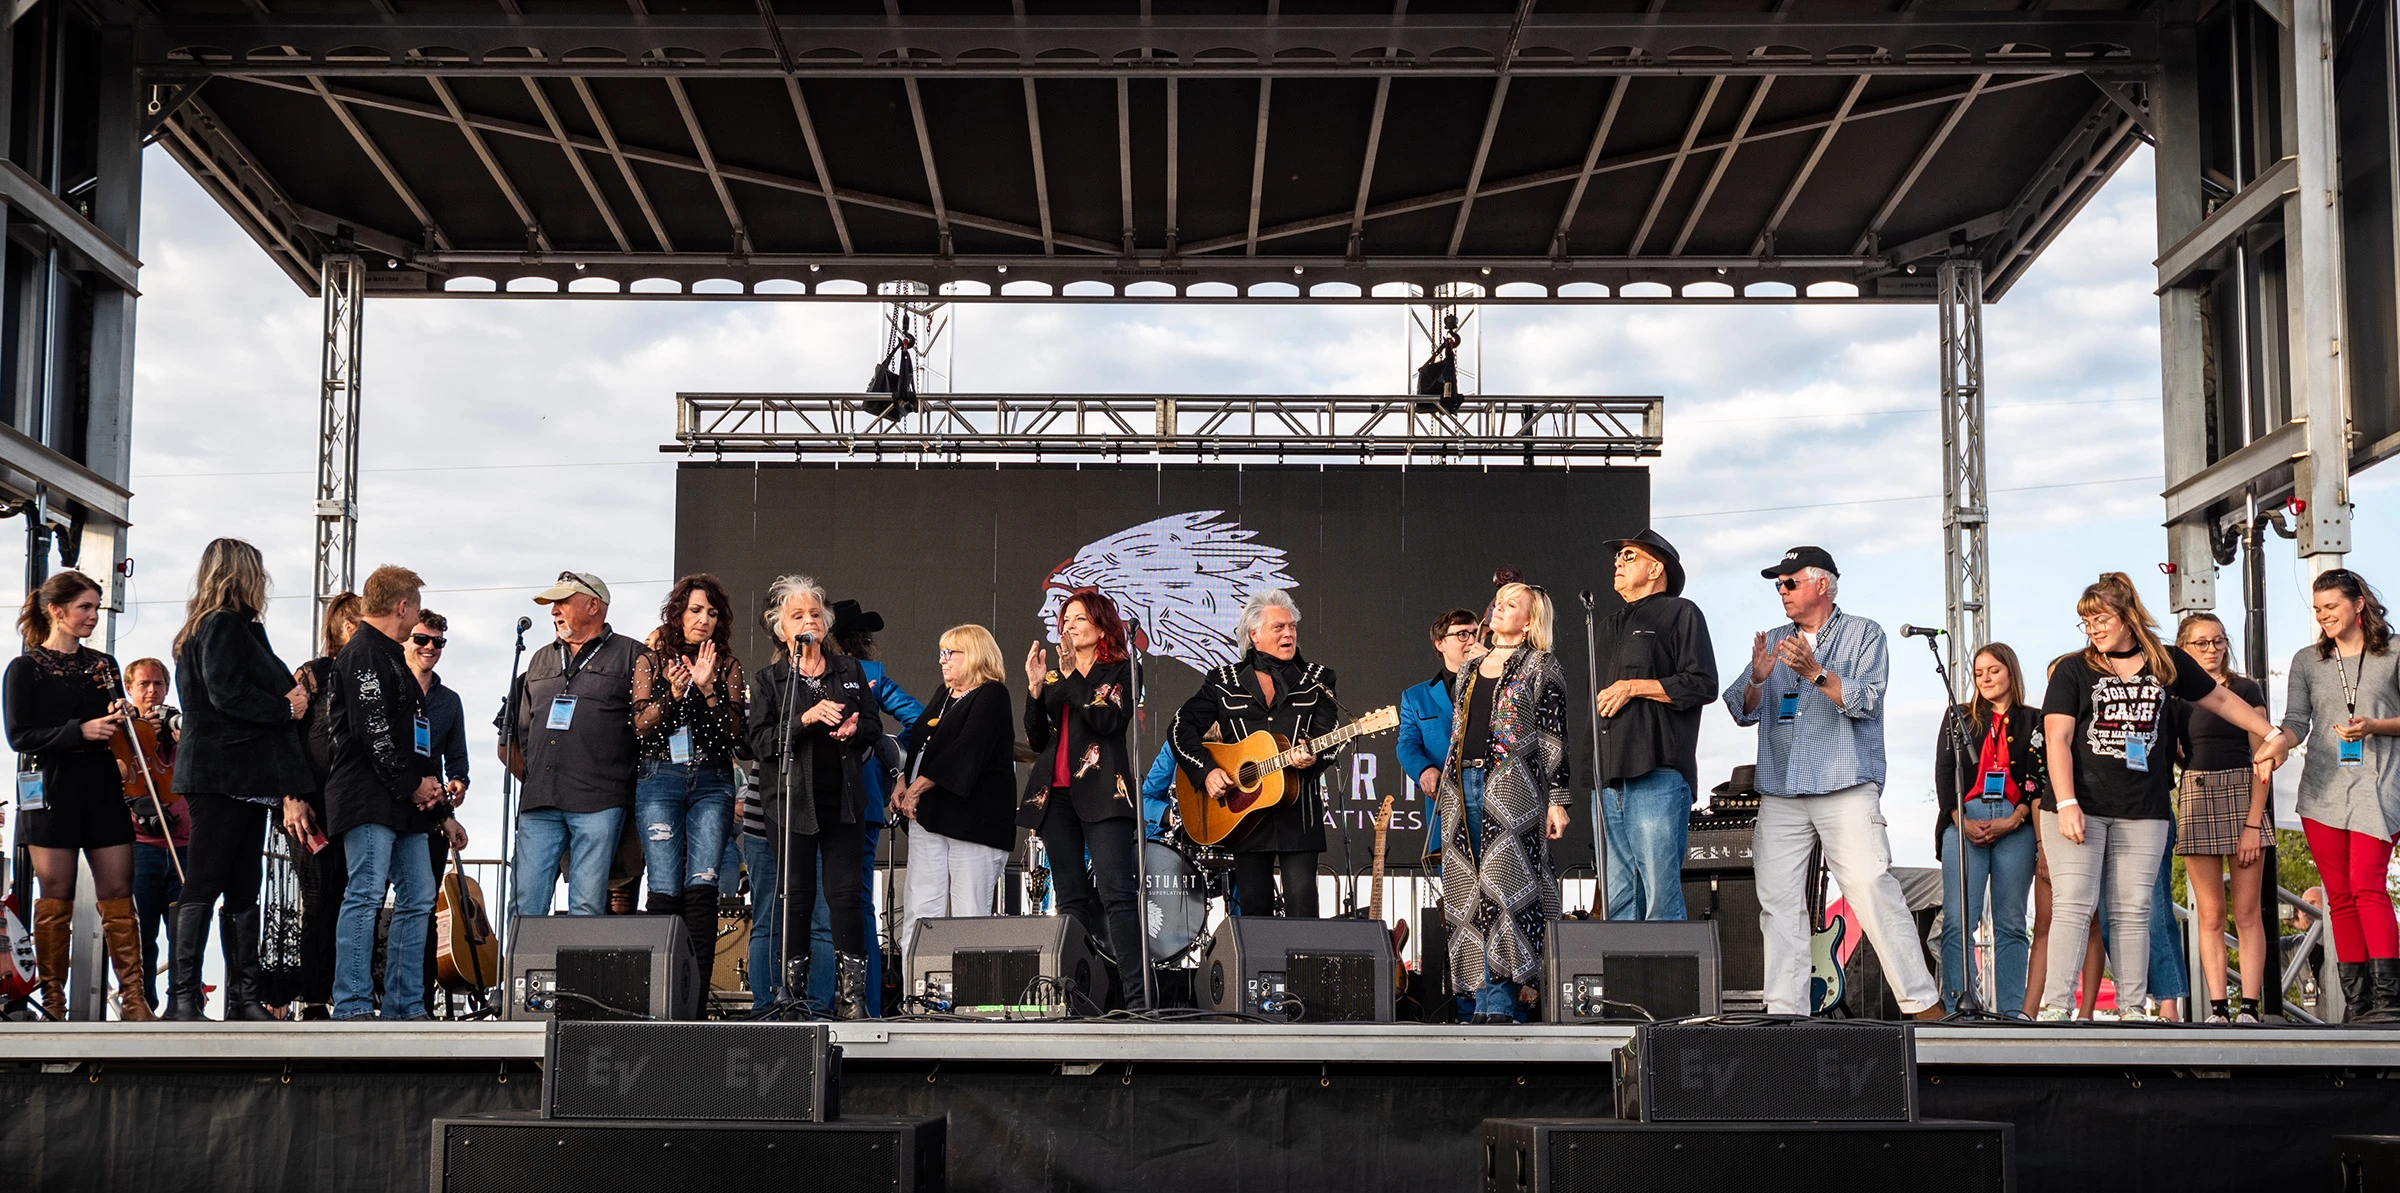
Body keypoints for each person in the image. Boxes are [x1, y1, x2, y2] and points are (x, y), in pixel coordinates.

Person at [2036, 572, 2282, 1021]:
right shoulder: (2074, 669)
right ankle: (2056, 1007)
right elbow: (2057, 738)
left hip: (2144, 810)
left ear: (2128, 617)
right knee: (2074, 902)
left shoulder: (2166, 663)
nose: (2092, 628)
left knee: (2132, 909)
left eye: (2100, 619)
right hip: (2078, 807)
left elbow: (2224, 702)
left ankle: (2133, 1006)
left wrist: (2272, 734)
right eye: (2085, 622)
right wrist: (2068, 801)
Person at [1723, 546, 1942, 1020]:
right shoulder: (1775, 639)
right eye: (1777, 584)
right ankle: (1786, 1011)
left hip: (1844, 786)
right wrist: (1759, 680)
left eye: (1789, 582)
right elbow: (1741, 709)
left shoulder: (1865, 633)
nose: (1781, 591)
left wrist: (1815, 672)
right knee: (1778, 904)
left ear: (1821, 584)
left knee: (1870, 887)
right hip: (1782, 791)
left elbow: (1866, 701)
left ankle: (1922, 1004)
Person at [167, 538, 315, 1021]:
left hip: (235, 773)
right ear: (244, 574)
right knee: (208, 878)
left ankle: (242, 997)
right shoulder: (224, 626)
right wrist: (284, 706)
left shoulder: (210, 627)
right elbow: (226, 692)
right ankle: (185, 998)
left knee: (241, 884)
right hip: (222, 772)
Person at [3, 572, 151, 1020]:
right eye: (85, 607)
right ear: (56, 610)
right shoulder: (25, 668)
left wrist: (120, 717)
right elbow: (19, 735)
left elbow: (116, 727)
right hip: (50, 788)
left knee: (119, 888)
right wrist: (79, 731)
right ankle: (53, 1001)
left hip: (101, 784)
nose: (92, 615)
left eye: (95, 607)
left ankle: (133, 999)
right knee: (56, 892)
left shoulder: (103, 663)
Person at [326, 566, 467, 1021]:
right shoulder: (364, 652)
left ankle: (405, 1004)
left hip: (408, 806)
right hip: (369, 798)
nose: (417, 629)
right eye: (413, 614)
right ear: (402, 607)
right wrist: (414, 785)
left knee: (420, 895)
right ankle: (351, 1005)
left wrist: (437, 806)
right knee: (365, 893)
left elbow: (417, 744)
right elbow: (375, 732)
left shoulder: (393, 659)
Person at [2259, 568, 2400, 1023]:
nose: (2323, 617)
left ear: (2358, 604)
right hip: (2322, 788)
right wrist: (2279, 743)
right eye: (2317, 610)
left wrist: (2374, 726)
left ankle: (2389, 1003)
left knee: (2366, 884)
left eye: (2331, 607)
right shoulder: (2307, 660)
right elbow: (2297, 719)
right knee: (2338, 895)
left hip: (2380, 782)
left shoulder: (2395, 653)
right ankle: (2359, 1007)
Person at [1435, 577, 1572, 1023]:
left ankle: (1501, 1005)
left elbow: (1553, 737)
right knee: (1465, 894)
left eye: (1512, 605)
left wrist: (1558, 797)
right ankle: (1475, 1001)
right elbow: (1460, 729)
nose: (1499, 608)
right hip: (1462, 787)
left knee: (1505, 893)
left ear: (1530, 620)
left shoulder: (1541, 665)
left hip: (1513, 793)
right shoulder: (1470, 668)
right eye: (1498, 601)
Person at [745, 574, 882, 1017]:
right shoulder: (770, 681)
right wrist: (805, 718)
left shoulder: (850, 670)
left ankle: (851, 998)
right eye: (798, 614)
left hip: (843, 800)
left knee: (845, 897)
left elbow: (874, 727)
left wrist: (855, 727)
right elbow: (760, 743)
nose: (810, 619)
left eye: (815, 612)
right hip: (790, 803)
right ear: (782, 628)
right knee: (796, 897)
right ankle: (793, 996)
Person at [1171, 589, 1337, 922]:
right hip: (1242, 816)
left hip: (1298, 815)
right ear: (1254, 634)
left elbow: (1328, 740)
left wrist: (1313, 758)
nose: (1288, 633)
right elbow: (1180, 727)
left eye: (1291, 627)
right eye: (1279, 627)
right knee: (1254, 913)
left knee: (1304, 910)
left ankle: (1301, 976)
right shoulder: (1223, 682)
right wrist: (1205, 772)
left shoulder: (1318, 680)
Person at [1027, 589, 1145, 1008]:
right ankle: (1073, 999)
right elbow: (1038, 738)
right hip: (1055, 796)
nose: (1068, 625)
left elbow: (1107, 719)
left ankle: (1136, 999)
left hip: (1104, 794)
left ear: (1100, 627)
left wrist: (1072, 676)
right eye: (1065, 620)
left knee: (1117, 895)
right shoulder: (1058, 675)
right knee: (1070, 899)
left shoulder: (1121, 669)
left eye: (1078, 618)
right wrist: (1038, 690)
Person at [1593, 530, 1718, 921]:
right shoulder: (1606, 625)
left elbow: (1703, 683)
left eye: (1628, 556)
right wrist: (1590, 773)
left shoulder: (1681, 613)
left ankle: (1666, 982)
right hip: (1609, 777)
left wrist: (1636, 687)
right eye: (1617, 557)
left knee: (1659, 897)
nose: (1618, 562)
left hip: (1657, 771)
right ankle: (1625, 983)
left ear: (1655, 568)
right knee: (1618, 899)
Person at [805, 600, 920, 1017]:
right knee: (854, 904)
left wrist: (886, 751)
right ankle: (863, 1006)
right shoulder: (871, 675)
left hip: (811, 801)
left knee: (813, 902)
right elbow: (920, 719)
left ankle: (816, 1003)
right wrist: (892, 755)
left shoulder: (805, 673)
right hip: (861, 800)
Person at [630, 575, 746, 982]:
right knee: (664, 891)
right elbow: (642, 729)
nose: (704, 620)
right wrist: (675, 695)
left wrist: (707, 688)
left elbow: (732, 737)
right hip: (661, 775)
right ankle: (663, 1002)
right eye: (696, 610)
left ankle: (693, 1007)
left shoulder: (727, 664)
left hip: (712, 780)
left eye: (712, 613)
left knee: (703, 891)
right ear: (678, 613)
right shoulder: (651, 660)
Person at [506, 571, 641, 918]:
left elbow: (646, 731)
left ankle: (579, 975)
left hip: (599, 801)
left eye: (563, 602)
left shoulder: (632, 655)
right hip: (540, 802)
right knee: (525, 903)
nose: (554, 611)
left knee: (586, 905)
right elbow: (519, 733)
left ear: (593, 605)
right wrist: (534, 777)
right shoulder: (538, 659)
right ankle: (515, 974)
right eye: (553, 603)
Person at [2165, 613, 2272, 1023]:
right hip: (2196, 792)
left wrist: (2252, 824)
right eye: (2201, 643)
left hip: (2244, 791)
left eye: (2218, 641)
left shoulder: (2246, 688)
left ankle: (2249, 1007)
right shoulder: (2177, 695)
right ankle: (2217, 1009)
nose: (2212, 650)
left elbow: (2263, 755)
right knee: (2209, 914)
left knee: (2247, 912)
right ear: (2183, 648)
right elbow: (2173, 750)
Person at [1932, 643, 2044, 1016]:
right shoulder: (1959, 716)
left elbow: (2038, 776)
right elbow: (1945, 771)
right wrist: (1957, 819)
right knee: (1958, 920)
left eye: (1993, 670)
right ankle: (1959, 1006)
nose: (1985, 678)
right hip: (1965, 819)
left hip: (2016, 821)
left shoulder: (2033, 719)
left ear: (2011, 671)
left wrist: (2017, 817)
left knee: (2011, 921)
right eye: (1979, 672)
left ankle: (2011, 1011)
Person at [895, 625, 1018, 953]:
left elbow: (969, 748)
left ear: (975, 654)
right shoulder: (944, 694)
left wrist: (918, 787)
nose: (942, 661)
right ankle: (916, 995)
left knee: (969, 915)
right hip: (930, 818)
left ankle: (968, 1000)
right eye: (941, 653)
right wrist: (902, 780)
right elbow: (921, 744)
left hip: (972, 822)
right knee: (921, 911)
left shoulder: (992, 694)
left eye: (950, 653)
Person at [286, 591, 361, 1019]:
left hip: (351, 806)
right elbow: (286, 734)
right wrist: (291, 797)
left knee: (347, 898)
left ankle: (344, 993)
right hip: (310, 807)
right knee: (317, 899)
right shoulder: (314, 674)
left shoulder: (375, 676)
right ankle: (314, 997)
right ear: (349, 628)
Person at [407, 609, 470, 1014]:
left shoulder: (449, 701)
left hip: (430, 812)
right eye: (422, 640)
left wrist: (459, 785)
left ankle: (420, 1001)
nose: (430, 648)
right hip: (389, 806)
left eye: (438, 642)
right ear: (405, 641)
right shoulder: (393, 689)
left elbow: (457, 760)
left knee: (425, 905)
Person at [120, 657, 187, 1014]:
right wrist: (139, 734)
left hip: (184, 844)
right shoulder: (123, 732)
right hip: (141, 845)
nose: (152, 691)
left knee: (183, 936)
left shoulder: (178, 727)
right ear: (129, 690)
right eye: (144, 685)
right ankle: (142, 1002)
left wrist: (179, 736)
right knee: (142, 935)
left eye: (158, 684)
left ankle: (183, 1003)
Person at [1397, 610, 1476, 861]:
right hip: (1444, 805)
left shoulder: (1498, 686)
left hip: (1491, 799)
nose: (1472, 641)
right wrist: (1424, 771)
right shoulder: (1414, 696)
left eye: (1475, 633)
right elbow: (1407, 745)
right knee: (1454, 893)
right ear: (1440, 644)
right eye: (1462, 634)